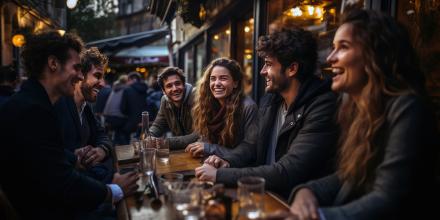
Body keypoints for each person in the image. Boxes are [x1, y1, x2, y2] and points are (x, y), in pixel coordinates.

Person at [289, 9, 439, 220]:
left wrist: (319, 216)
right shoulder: (360, 109)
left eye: (343, 47)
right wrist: (306, 191)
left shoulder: (408, 108)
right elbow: (348, 176)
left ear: (375, 54)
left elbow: (388, 199)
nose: (331, 58)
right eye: (333, 48)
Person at [0, 30, 138, 219]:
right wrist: (113, 190)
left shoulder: (32, 101)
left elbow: (43, 155)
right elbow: (62, 183)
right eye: (76, 68)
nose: (80, 76)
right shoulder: (33, 109)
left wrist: (73, 158)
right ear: (53, 63)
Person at [195, 27, 339, 199]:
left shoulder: (322, 105)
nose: (262, 71)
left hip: (291, 203)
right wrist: (227, 161)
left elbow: (288, 171)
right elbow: (252, 146)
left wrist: (219, 175)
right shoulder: (270, 100)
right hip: (262, 194)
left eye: (269, 64)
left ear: (292, 69)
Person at [54, 47, 114, 183]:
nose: (103, 84)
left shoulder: (86, 108)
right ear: (81, 75)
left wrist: (102, 150)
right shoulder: (59, 104)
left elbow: (102, 136)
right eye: (97, 76)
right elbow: (51, 153)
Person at [183, 57, 258, 158]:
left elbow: (249, 150)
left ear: (235, 83)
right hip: (212, 163)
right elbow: (203, 138)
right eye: (213, 79)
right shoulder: (207, 105)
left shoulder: (248, 107)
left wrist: (209, 148)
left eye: (223, 78)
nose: (216, 83)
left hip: (237, 169)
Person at [149, 67, 198, 149]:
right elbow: (158, 125)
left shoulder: (196, 98)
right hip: (183, 152)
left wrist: (166, 143)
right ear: (163, 91)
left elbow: (199, 134)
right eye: (169, 86)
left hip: (200, 151)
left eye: (178, 83)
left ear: (184, 84)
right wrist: (149, 137)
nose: (175, 89)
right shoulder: (165, 101)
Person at [120, 72, 148, 144]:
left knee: (121, 134)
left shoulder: (127, 90)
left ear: (133, 80)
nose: (127, 83)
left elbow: (122, 108)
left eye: (128, 80)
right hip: (145, 121)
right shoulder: (146, 89)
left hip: (131, 122)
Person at [103, 75, 128, 145]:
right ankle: (123, 151)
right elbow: (123, 107)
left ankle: (114, 146)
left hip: (108, 116)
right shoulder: (125, 89)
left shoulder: (114, 89)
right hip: (118, 117)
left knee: (117, 134)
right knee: (123, 134)